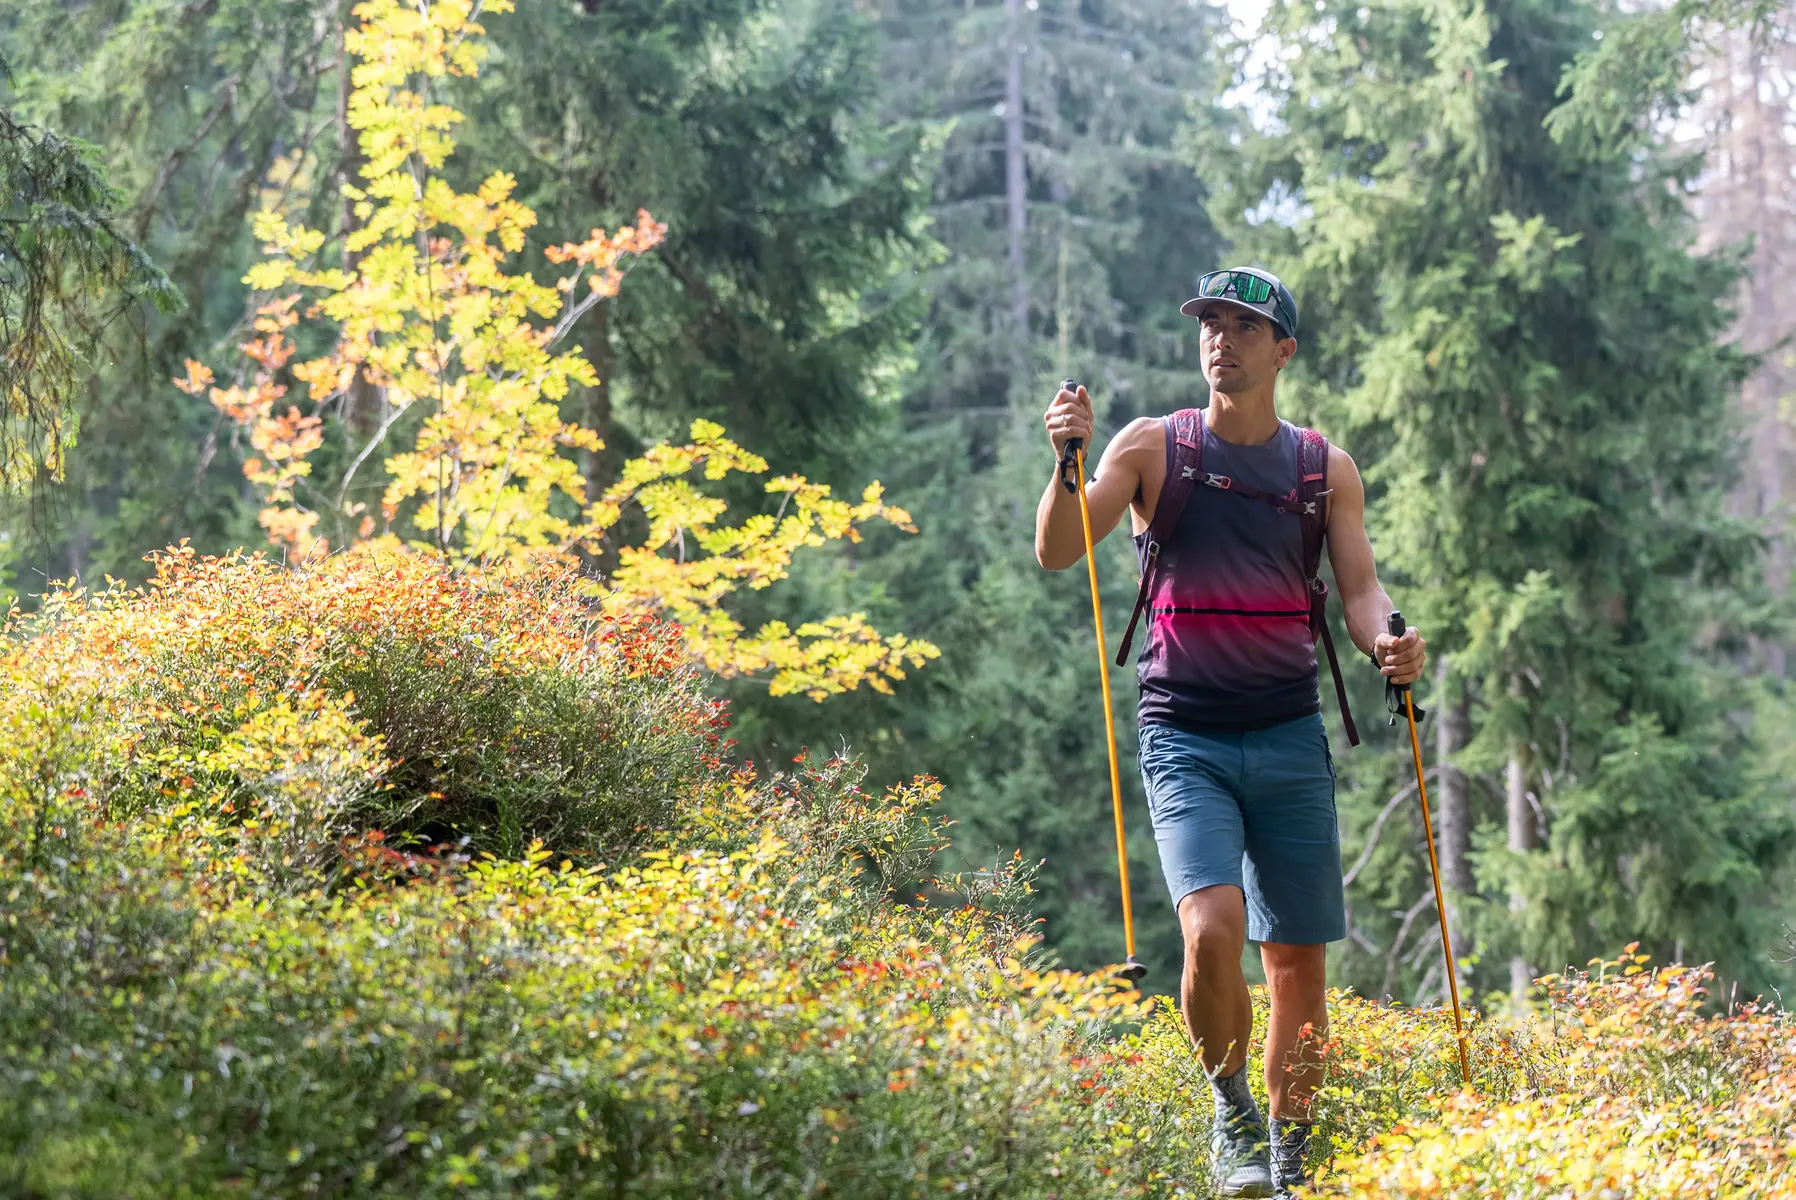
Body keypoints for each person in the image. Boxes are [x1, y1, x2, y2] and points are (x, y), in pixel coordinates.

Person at [1033, 266, 1426, 1198]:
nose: (1222, 338)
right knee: (1213, 928)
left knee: (1296, 964)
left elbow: (1363, 591)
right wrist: (1064, 460)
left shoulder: (1321, 469)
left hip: (1290, 733)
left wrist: (1389, 645)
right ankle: (1232, 1112)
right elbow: (1055, 550)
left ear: (1282, 349)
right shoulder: (1149, 448)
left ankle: (1290, 1160)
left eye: (1245, 326)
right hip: (1186, 734)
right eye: (1211, 322)